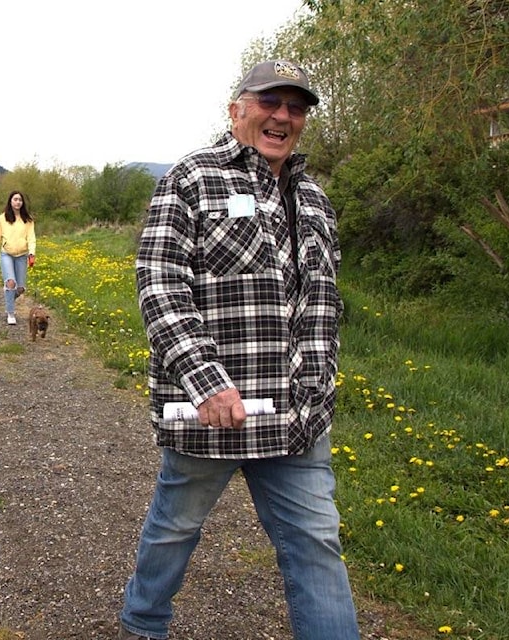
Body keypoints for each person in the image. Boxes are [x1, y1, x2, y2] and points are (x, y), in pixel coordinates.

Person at [119, 60, 360, 640]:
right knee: (175, 528)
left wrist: (322, 383)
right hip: (214, 411)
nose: (283, 116)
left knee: (317, 544)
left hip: (297, 418)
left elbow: (322, 299)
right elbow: (159, 282)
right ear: (237, 110)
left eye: (296, 107)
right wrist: (206, 379)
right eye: (269, 102)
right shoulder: (192, 178)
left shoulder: (315, 199)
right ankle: (142, 623)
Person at [0, 190, 36, 325]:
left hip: (22, 256)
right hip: (6, 254)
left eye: (20, 200)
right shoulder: (2, 218)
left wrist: (32, 253)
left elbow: (31, 238)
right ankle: (10, 313)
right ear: (10, 201)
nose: (18, 202)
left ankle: (9, 294)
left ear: (22, 202)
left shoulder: (28, 220)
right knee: (11, 283)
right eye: (15, 199)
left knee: (20, 289)